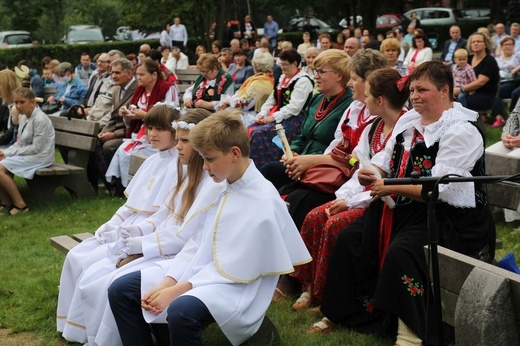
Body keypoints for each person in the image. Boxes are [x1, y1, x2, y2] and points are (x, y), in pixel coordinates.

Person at [312, 62, 495, 345]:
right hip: (408, 210)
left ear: (445, 91)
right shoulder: (408, 124)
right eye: (412, 90)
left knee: (402, 250)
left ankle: (408, 334)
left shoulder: (462, 130)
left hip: (449, 220)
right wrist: (371, 173)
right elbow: (383, 163)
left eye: (423, 90)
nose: (416, 96)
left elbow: (439, 188)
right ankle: (346, 313)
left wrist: (389, 185)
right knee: (350, 239)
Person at [108, 110, 312, 346]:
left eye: (210, 158)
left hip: (235, 286)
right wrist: (168, 281)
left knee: (181, 311)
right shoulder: (219, 185)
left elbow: (235, 267)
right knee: (120, 290)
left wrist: (176, 290)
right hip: (197, 270)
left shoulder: (262, 200)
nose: (204, 167)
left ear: (235, 153)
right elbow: (196, 242)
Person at [71, 109, 213, 346]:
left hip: (177, 255)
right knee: (98, 273)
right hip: (166, 246)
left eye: (185, 141)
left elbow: (189, 235)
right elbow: (163, 216)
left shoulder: (209, 180)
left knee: (112, 282)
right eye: (178, 140)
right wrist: (134, 233)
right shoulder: (186, 172)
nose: (179, 147)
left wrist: (142, 245)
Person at [57, 103, 182, 343]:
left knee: (94, 265)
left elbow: (162, 216)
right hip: (130, 223)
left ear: (175, 131)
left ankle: (91, 332)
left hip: (149, 230)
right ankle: (73, 325)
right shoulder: (151, 160)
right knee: (76, 255)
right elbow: (131, 204)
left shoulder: (179, 166)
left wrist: (130, 232)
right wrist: (113, 222)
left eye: (160, 129)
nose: (152, 134)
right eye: (149, 128)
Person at [291, 68, 409, 312]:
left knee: (335, 226)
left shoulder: (403, 128)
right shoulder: (373, 128)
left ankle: (327, 297)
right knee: (315, 216)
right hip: (361, 195)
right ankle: (309, 287)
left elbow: (382, 178)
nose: (364, 101)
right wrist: (344, 197)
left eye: (368, 96)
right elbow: (362, 171)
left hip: (384, 202)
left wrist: (352, 202)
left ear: (380, 100)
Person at [105, 60, 179, 189]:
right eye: (137, 74)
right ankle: (127, 186)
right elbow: (132, 120)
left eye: (142, 75)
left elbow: (171, 117)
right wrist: (127, 116)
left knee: (128, 151)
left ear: (154, 75)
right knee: (123, 150)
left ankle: (140, 186)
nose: (138, 78)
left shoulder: (167, 88)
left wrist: (144, 116)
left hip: (160, 136)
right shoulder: (140, 90)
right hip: (140, 134)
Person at [248, 48, 313, 167]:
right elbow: (272, 99)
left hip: (296, 120)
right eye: (280, 64)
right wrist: (263, 113)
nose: (282, 67)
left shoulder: (303, 81)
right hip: (280, 116)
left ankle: (263, 167)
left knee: (259, 133)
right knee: (250, 128)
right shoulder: (283, 78)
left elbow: (294, 108)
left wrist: (272, 117)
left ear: (295, 64)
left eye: (285, 64)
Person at [0, 87, 54, 215]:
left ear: (32, 102)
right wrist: (5, 152)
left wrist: (8, 153)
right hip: (29, 154)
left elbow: (37, 148)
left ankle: (21, 205)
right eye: (16, 102)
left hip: (41, 157)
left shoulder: (40, 119)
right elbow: (20, 142)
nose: (18, 106)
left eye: (22, 102)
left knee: (0, 169)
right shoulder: (23, 116)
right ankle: (6, 202)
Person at [95, 58, 138, 183]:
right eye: (112, 72)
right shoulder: (116, 89)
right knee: (94, 140)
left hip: (130, 132)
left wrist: (113, 135)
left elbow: (135, 123)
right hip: (116, 129)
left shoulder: (137, 90)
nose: (113, 76)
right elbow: (113, 117)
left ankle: (118, 182)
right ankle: (105, 181)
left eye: (117, 73)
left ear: (129, 73)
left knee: (109, 146)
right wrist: (104, 132)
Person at [454, 32, 501, 126]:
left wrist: (460, 90)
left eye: (479, 41)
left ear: (485, 44)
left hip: (485, 95)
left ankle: (465, 126)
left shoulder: (489, 61)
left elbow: (480, 82)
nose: (475, 43)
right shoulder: (468, 59)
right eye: (473, 42)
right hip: (465, 92)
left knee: (459, 102)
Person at [218, 52, 275, 126]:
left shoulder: (259, 82)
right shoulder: (268, 78)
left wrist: (229, 101)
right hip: (253, 113)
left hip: (250, 117)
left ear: (254, 66)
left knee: (221, 118)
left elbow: (245, 103)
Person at [487, 100, 520, 222]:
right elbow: (514, 116)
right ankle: (495, 210)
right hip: (516, 138)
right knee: (488, 157)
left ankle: (516, 216)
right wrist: (507, 135)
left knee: (513, 162)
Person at [496, 37, 520, 107]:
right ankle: (498, 115)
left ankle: (510, 115)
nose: (508, 46)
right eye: (505, 45)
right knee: (492, 91)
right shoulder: (497, 59)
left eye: (510, 44)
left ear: (513, 46)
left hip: (513, 81)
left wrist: (516, 68)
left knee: (497, 91)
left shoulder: (517, 56)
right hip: (499, 82)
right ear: (501, 47)